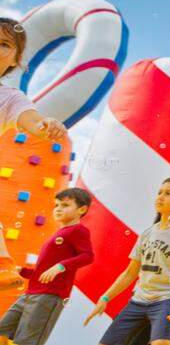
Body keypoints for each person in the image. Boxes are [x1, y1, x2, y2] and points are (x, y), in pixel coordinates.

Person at [0, 17, 69, 290]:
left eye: (4, 44)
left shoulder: (9, 98)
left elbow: (30, 119)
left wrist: (45, 126)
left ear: (16, 60)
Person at [85, 177, 170, 345]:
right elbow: (130, 273)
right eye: (159, 192)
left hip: (166, 300)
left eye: (168, 194)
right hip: (139, 300)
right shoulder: (147, 233)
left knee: (162, 343)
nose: (160, 197)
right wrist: (105, 298)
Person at [0, 188, 93, 345]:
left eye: (64, 205)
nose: (58, 209)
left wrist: (61, 266)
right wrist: (22, 271)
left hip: (49, 296)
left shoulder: (78, 230)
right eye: (56, 205)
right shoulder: (58, 234)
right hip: (30, 293)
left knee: (27, 340)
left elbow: (88, 256)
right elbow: (43, 272)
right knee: (3, 329)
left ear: (82, 209)